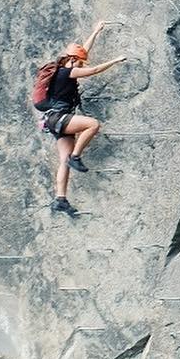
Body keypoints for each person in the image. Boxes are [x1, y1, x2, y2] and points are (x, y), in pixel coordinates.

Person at [34, 19, 125, 217]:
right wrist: (115, 60)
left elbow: (82, 51)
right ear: (72, 61)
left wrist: (96, 31)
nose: (82, 65)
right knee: (93, 124)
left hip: (52, 120)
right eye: (79, 62)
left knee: (63, 160)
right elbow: (92, 70)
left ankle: (60, 199)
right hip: (59, 118)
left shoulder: (63, 69)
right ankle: (76, 156)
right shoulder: (67, 71)